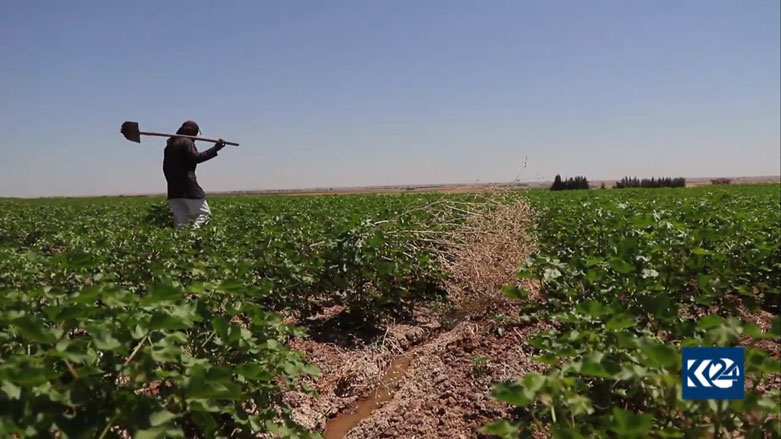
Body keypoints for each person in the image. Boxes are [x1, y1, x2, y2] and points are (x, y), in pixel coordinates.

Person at [162, 120, 226, 228]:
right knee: (204, 214)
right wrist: (216, 148)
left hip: (173, 190)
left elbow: (165, 168)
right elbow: (197, 158)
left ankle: (182, 242)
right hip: (188, 188)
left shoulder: (170, 145)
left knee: (181, 223)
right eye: (195, 133)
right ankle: (194, 237)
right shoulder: (186, 142)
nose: (195, 137)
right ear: (190, 131)